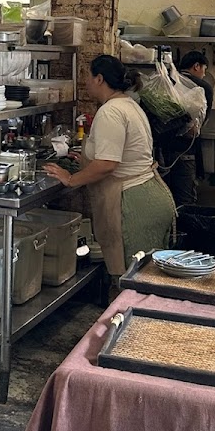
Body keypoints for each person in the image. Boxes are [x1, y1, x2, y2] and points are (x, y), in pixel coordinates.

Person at [43, 54, 176, 275]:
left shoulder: (110, 112)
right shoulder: (128, 104)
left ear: (99, 79)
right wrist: (86, 160)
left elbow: (107, 164)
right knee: (147, 277)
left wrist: (71, 178)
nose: (86, 81)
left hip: (133, 204)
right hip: (149, 195)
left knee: (134, 278)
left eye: (88, 76)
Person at [160, 50, 214, 207]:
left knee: (165, 199)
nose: (204, 74)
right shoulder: (203, 87)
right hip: (186, 151)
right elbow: (202, 121)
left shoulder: (167, 80)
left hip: (162, 150)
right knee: (185, 201)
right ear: (196, 66)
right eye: (204, 69)